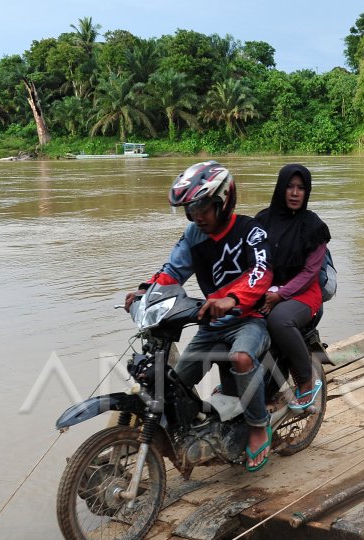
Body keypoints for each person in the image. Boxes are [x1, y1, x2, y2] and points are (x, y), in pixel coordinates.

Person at [125, 161, 275, 472]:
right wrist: (145, 293)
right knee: (175, 383)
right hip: (211, 325)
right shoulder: (193, 236)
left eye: (204, 207)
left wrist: (231, 299)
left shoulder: (251, 231)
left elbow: (261, 273)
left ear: (224, 201)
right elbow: (172, 272)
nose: (197, 216)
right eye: (191, 210)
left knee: (242, 358)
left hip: (249, 320)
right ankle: (192, 436)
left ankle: (259, 426)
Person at [255, 164, 329, 412]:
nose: (295, 193)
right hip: (266, 289)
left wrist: (280, 295)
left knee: (278, 320)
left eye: (301, 188)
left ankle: (306, 379)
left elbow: (310, 273)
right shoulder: (262, 220)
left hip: (303, 293)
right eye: (290, 187)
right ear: (280, 189)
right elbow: (251, 261)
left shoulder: (313, 226)